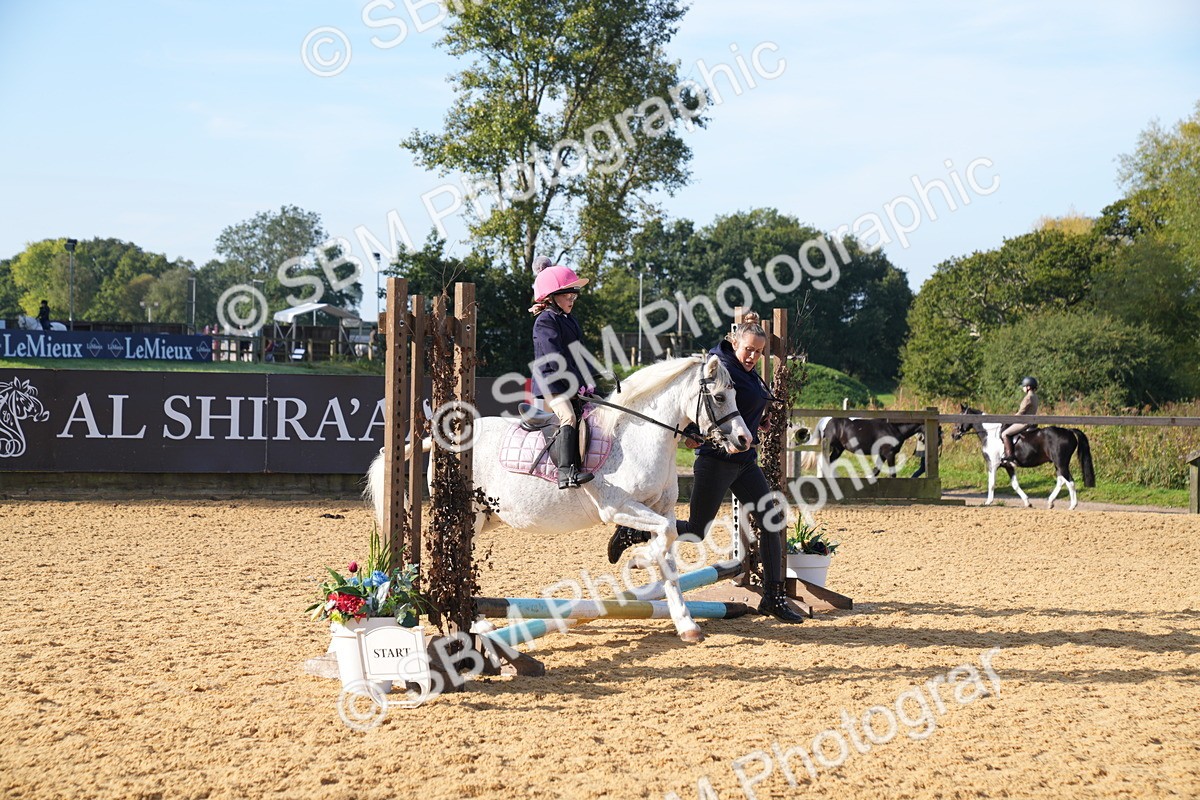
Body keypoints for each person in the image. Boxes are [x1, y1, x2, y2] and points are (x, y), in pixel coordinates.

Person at [606, 312, 806, 623]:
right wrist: (691, 436)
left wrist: (760, 418)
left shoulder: (750, 373)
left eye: (758, 351)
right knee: (698, 530)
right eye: (748, 349)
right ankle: (633, 531)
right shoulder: (721, 364)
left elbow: (743, 407)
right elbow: (701, 398)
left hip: (745, 461)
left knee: (773, 518)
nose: (753, 356)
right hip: (716, 461)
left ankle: (774, 596)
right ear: (734, 343)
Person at [530, 255, 594, 490]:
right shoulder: (545, 321)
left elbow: (579, 354)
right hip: (552, 383)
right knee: (568, 417)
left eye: (574, 295)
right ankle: (566, 473)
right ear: (551, 297)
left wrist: (592, 380)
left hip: (571, 381)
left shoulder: (569, 320)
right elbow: (553, 358)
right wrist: (575, 383)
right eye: (567, 296)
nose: (572, 300)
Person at [1000, 376, 1039, 465]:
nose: (1023, 388)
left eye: (1024, 386)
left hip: (1024, 422)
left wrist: (1010, 418)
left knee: (1004, 434)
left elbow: (1021, 412)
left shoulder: (1028, 397)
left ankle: (1009, 455)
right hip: (1032, 421)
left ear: (1028, 387)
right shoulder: (1035, 396)